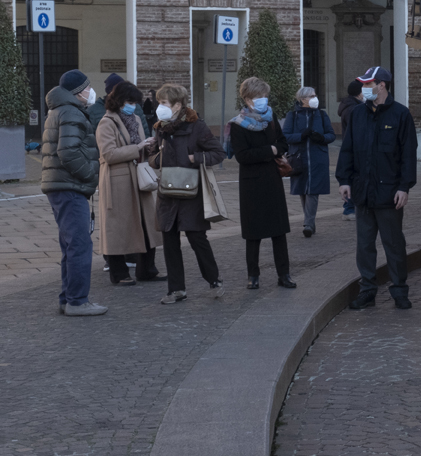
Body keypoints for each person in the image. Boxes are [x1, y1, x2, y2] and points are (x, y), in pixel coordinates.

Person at [336, 66, 417, 310]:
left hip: (390, 193)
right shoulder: (358, 114)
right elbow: (347, 149)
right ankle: (367, 291)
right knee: (364, 246)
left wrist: (404, 187)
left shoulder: (401, 115)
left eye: (368, 84)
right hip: (363, 193)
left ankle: (399, 291)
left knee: (394, 245)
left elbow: (408, 156)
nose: (364, 89)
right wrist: (344, 180)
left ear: (381, 85)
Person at [149, 84, 226, 304]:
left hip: (191, 192)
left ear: (177, 105)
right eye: (160, 102)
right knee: (170, 240)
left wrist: (194, 158)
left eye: (163, 103)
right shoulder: (160, 127)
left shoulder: (197, 126)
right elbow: (153, 156)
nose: (159, 107)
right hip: (168, 192)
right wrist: (156, 160)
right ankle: (176, 290)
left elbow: (218, 153)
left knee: (196, 238)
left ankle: (213, 279)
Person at [41, 69, 106, 316]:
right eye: (88, 88)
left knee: (71, 244)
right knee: (79, 245)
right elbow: (68, 152)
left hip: (61, 186)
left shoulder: (60, 110)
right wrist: (91, 173)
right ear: (78, 92)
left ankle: (67, 298)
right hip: (69, 186)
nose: (91, 91)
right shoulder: (70, 112)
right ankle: (77, 301)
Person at [96, 81, 163, 285]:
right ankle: (119, 273)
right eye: (129, 101)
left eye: (135, 101)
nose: (132, 105)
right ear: (118, 100)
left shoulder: (134, 118)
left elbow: (139, 145)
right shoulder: (107, 122)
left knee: (146, 224)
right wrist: (138, 147)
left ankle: (147, 269)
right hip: (118, 180)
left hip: (138, 177)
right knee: (118, 227)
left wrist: (150, 147)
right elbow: (108, 154)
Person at [230, 77, 295, 290]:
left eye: (265, 96)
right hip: (251, 183)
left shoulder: (271, 117)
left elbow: (283, 142)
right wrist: (271, 150)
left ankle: (284, 274)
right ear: (248, 99)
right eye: (259, 97)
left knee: (279, 231)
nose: (263, 100)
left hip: (272, 179)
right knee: (253, 232)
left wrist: (276, 149)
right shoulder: (238, 124)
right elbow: (242, 156)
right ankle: (253, 275)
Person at [282, 86, 336, 237]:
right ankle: (310, 221)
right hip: (299, 158)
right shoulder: (292, 116)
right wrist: (301, 136)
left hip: (317, 158)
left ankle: (308, 224)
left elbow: (331, 134)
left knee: (313, 191)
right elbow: (285, 136)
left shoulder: (322, 115)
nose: (314, 98)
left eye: (315, 95)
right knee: (303, 191)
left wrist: (322, 138)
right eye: (311, 96)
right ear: (302, 99)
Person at [336, 80, 364, 221]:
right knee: (352, 177)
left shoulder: (348, 106)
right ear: (359, 93)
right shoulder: (354, 109)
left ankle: (349, 207)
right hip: (354, 147)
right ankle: (348, 208)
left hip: (351, 145)